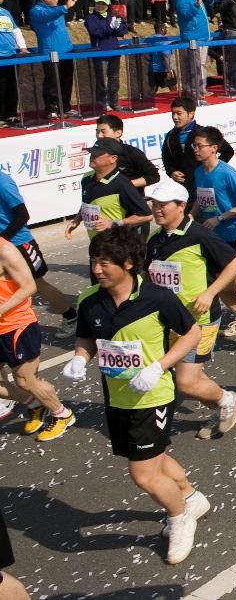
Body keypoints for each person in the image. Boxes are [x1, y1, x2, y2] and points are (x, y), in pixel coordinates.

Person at [60, 226, 208, 565]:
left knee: (142, 474)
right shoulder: (89, 300)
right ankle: (189, 495)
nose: (97, 269)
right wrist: (79, 359)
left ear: (128, 263)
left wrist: (159, 367)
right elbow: (86, 338)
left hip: (153, 396)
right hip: (117, 397)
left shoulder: (157, 298)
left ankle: (180, 516)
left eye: (105, 263)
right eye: (94, 261)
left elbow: (191, 333)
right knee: (152, 457)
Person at [144, 180, 236, 440]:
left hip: (198, 321)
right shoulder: (155, 239)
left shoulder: (198, 234)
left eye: (162, 205)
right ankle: (219, 404)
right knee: (185, 377)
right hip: (167, 322)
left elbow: (235, 262)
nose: (157, 209)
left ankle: (227, 400)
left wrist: (210, 292)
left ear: (181, 206)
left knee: (186, 382)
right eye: (154, 204)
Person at [0, 236, 75, 442]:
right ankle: (35, 404)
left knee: (25, 380)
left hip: (16, 326)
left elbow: (29, 286)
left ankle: (62, 415)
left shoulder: (5, 250)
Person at [0, 169, 80, 337]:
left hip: (19, 243)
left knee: (36, 284)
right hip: (5, 245)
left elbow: (23, 215)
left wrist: (3, 240)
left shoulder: (3, 181)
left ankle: (71, 316)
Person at [64, 139, 152, 243]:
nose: (92, 155)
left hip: (116, 248)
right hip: (96, 246)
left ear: (113, 158)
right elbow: (87, 203)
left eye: (97, 154)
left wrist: (113, 224)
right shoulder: (86, 178)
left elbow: (147, 216)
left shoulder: (122, 184)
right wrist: (76, 220)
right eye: (91, 152)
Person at [28, 0, 76, 119]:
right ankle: (51, 108)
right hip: (51, 52)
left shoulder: (57, 10)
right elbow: (47, 16)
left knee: (66, 80)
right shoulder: (36, 10)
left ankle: (65, 107)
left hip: (66, 50)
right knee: (52, 82)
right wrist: (65, 7)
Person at [94, 115, 161, 189]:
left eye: (103, 132)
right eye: (97, 132)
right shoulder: (96, 153)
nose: (99, 136)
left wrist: (126, 185)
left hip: (131, 199)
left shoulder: (132, 153)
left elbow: (154, 176)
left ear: (118, 133)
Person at [85, 0, 126, 111]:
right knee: (102, 79)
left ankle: (114, 101)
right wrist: (110, 27)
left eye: (103, 4)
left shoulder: (112, 15)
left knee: (114, 78)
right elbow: (96, 32)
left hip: (114, 50)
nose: (100, 6)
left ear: (107, 5)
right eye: (98, 3)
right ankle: (102, 103)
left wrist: (118, 25)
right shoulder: (90, 18)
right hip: (100, 51)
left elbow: (122, 32)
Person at [175, 0, 210, 99]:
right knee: (194, 67)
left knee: (201, 65)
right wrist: (196, 5)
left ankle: (201, 90)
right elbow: (186, 15)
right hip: (193, 38)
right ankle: (194, 93)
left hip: (202, 37)